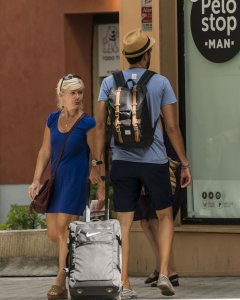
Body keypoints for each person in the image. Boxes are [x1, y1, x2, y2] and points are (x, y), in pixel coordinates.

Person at [90, 28, 192, 298]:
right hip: (154, 161)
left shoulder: (109, 83)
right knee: (165, 215)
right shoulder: (161, 83)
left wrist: (97, 163)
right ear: (146, 55)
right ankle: (163, 273)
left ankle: (124, 282)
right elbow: (171, 127)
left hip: (121, 161)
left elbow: (100, 125)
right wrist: (184, 162)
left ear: (126, 56)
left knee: (124, 224)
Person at [28, 74, 99, 300]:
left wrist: (96, 174)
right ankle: (78, 255)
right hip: (57, 180)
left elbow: (96, 154)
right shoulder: (52, 119)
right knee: (54, 233)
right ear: (61, 96)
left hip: (76, 181)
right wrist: (36, 179)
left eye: (80, 92)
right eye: (73, 93)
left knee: (65, 229)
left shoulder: (88, 123)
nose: (78, 97)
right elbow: (45, 151)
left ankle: (60, 280)